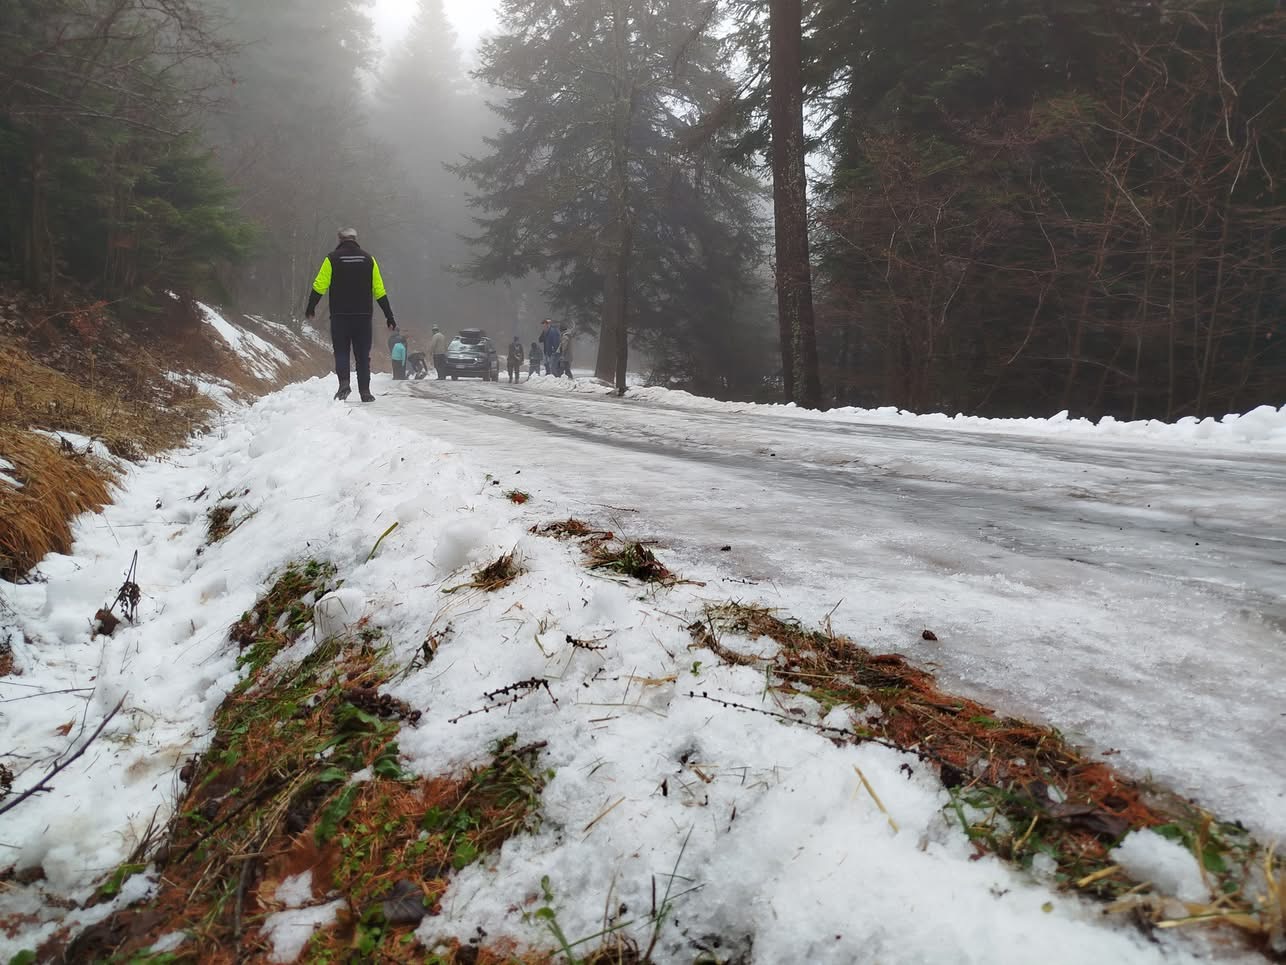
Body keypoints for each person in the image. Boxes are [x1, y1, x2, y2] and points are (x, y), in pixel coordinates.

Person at [305, 227, 396, 402]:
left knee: (341, 352)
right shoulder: (369, 260)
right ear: (355, 239)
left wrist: (311, 307)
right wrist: (389, 316)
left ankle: (344, 384)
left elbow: (319, 285)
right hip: (363, 316)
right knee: (362, 355)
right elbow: (379, 290)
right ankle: (365, 391)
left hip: (340, 316)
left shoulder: (332, 258)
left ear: (339, 239)